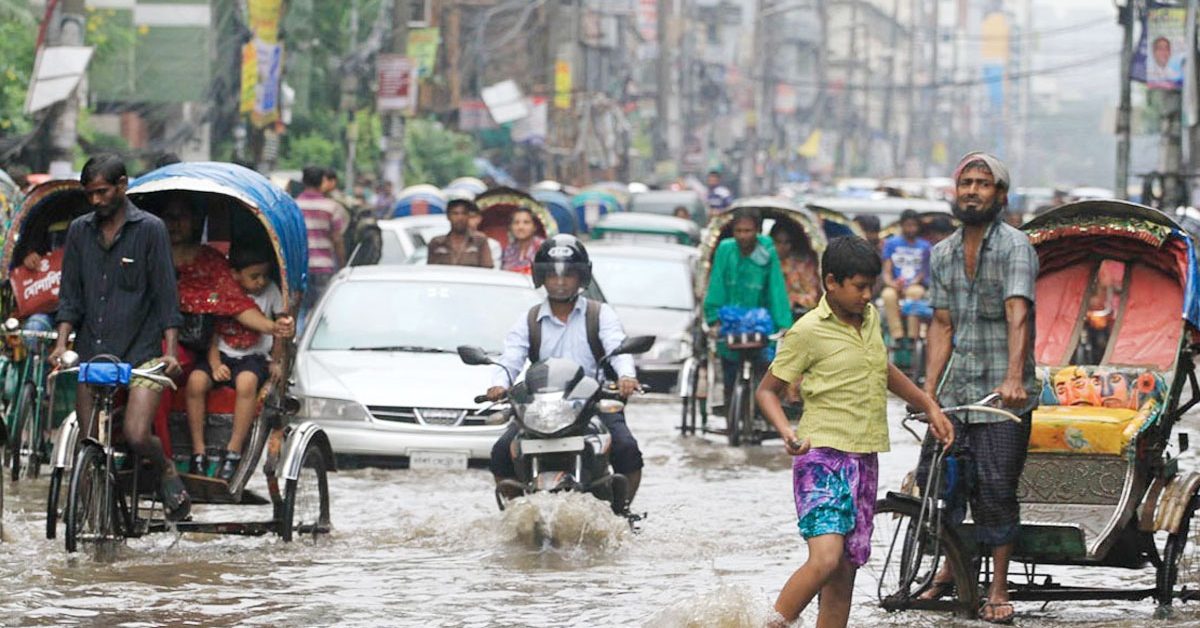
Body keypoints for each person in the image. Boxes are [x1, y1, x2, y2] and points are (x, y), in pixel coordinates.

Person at [756, 236, 953, 628]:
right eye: (859, 287)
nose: (867, 295)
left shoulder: (870, 320)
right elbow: (766, 392)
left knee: (844, 571)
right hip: (820, 455)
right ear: (832, 282)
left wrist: (929, 405)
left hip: (864, 459)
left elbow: (885, 371)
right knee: (825, 558)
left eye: (870, 287)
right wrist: (786, 432)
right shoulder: (807, 331)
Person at [918, 152, 1038, 625]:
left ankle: (999, 587)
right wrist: (928, 395)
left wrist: (1013, 378)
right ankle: (950, 568)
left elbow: (1018, 314)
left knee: (995, 489)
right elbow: (941, 327)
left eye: (982, 184)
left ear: (1000, 196)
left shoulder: (1015, 247)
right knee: (939, 484)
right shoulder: (942, 253)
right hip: (956, 393)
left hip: (1001, 399)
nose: (972, 190)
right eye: (965, 182)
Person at [51, 154, 190, 520]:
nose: (96, 201)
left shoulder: (150, 229)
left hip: (141, 351)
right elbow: (69, 297)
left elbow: (165, 295)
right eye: (90, 194)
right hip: (93, 350)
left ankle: (165, 470)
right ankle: (90, 502)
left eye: (102, 192)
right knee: (88, 438)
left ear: (122, 186)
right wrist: (61, 343)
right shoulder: (80, 230)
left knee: (136, 433)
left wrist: (171, 350)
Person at [486, 235, 644, 503]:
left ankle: (624, 511)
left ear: (581, 277)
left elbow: (618, 349)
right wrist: (498, 383)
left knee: (627, 448)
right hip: (540, 409)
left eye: (568, 275)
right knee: (501, 452)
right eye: (553, 275)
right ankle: (514, 511)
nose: (560, 281)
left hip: (591, 404)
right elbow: (511, 357)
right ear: (542, 277)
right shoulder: (529, 319)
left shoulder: (600, 314)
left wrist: (627, 376)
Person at [184, 246, 285, 481]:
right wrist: (215, 362)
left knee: (247, 382)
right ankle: (198, 451)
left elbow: (280, 328)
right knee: (195, 381)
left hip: (254, 357)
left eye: (264, 276)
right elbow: (212, 332)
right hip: (222, 354)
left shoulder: (271, 292)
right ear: (235, 274)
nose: (260, 282)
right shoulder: (223, 291)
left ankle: (234, 450)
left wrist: (276, 361)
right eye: (254, 276)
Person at [703, 208, 793, 405]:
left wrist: (783, 323)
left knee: (764, 368)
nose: (743, 236)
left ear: (758, 231)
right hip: (730, 322)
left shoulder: (767, 250)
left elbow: (775, 287)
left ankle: (761, 409)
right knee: (729, 372)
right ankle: (730, 409)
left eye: (748, 231)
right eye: (739, 231)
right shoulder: (726, 249)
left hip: (760, 322)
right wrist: (713, 317)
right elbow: (717, 282)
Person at [296, 165, 347, 320]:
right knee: (322, 314)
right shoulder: (331, 207)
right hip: (324, 267)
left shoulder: (294, 205)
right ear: (322, 181)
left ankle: (299, 342)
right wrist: (342, 265)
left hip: (300, 268)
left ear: (303, 181)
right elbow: (337, 239)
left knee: (300, 311)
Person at [880, 209, 932, 346]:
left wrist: (911, 283)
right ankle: (897, 335)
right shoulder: (891, 244)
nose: (911, 229)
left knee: (915, 293)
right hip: (895, 284)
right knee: (887, 295)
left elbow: (924, 271)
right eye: (908, 225)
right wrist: (892, 283)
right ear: (902, 225)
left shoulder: (925, 246)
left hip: (914, 284)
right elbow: (887, 270)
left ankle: (912, 336)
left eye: (914, 225)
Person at [770, 222, 822, 316]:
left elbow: (813, 298)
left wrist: (792, 299)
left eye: (787, 242)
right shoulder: (763, 263)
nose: (782, 247)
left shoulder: (803, 266)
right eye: (778, 242)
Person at [427, 198, 494, 268]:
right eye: (455, 213)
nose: (460, 217)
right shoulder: (437, 243)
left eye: (464, 213)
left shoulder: (479, 241)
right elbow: (431, 270)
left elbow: (487, 268)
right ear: (448, 216)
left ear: (468, 216)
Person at [499, 206, 544, 275]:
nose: (520, 227)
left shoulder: (543, 248)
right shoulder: (509, 249)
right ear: (511, 227)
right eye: (516, 223)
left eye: (526, 222)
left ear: (534, 227)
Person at [466, 200, 503, 267]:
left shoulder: (492, 245)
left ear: (479, 219)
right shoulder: (444, 243)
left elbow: (495, 272)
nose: (467, 221)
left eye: (471, 217)